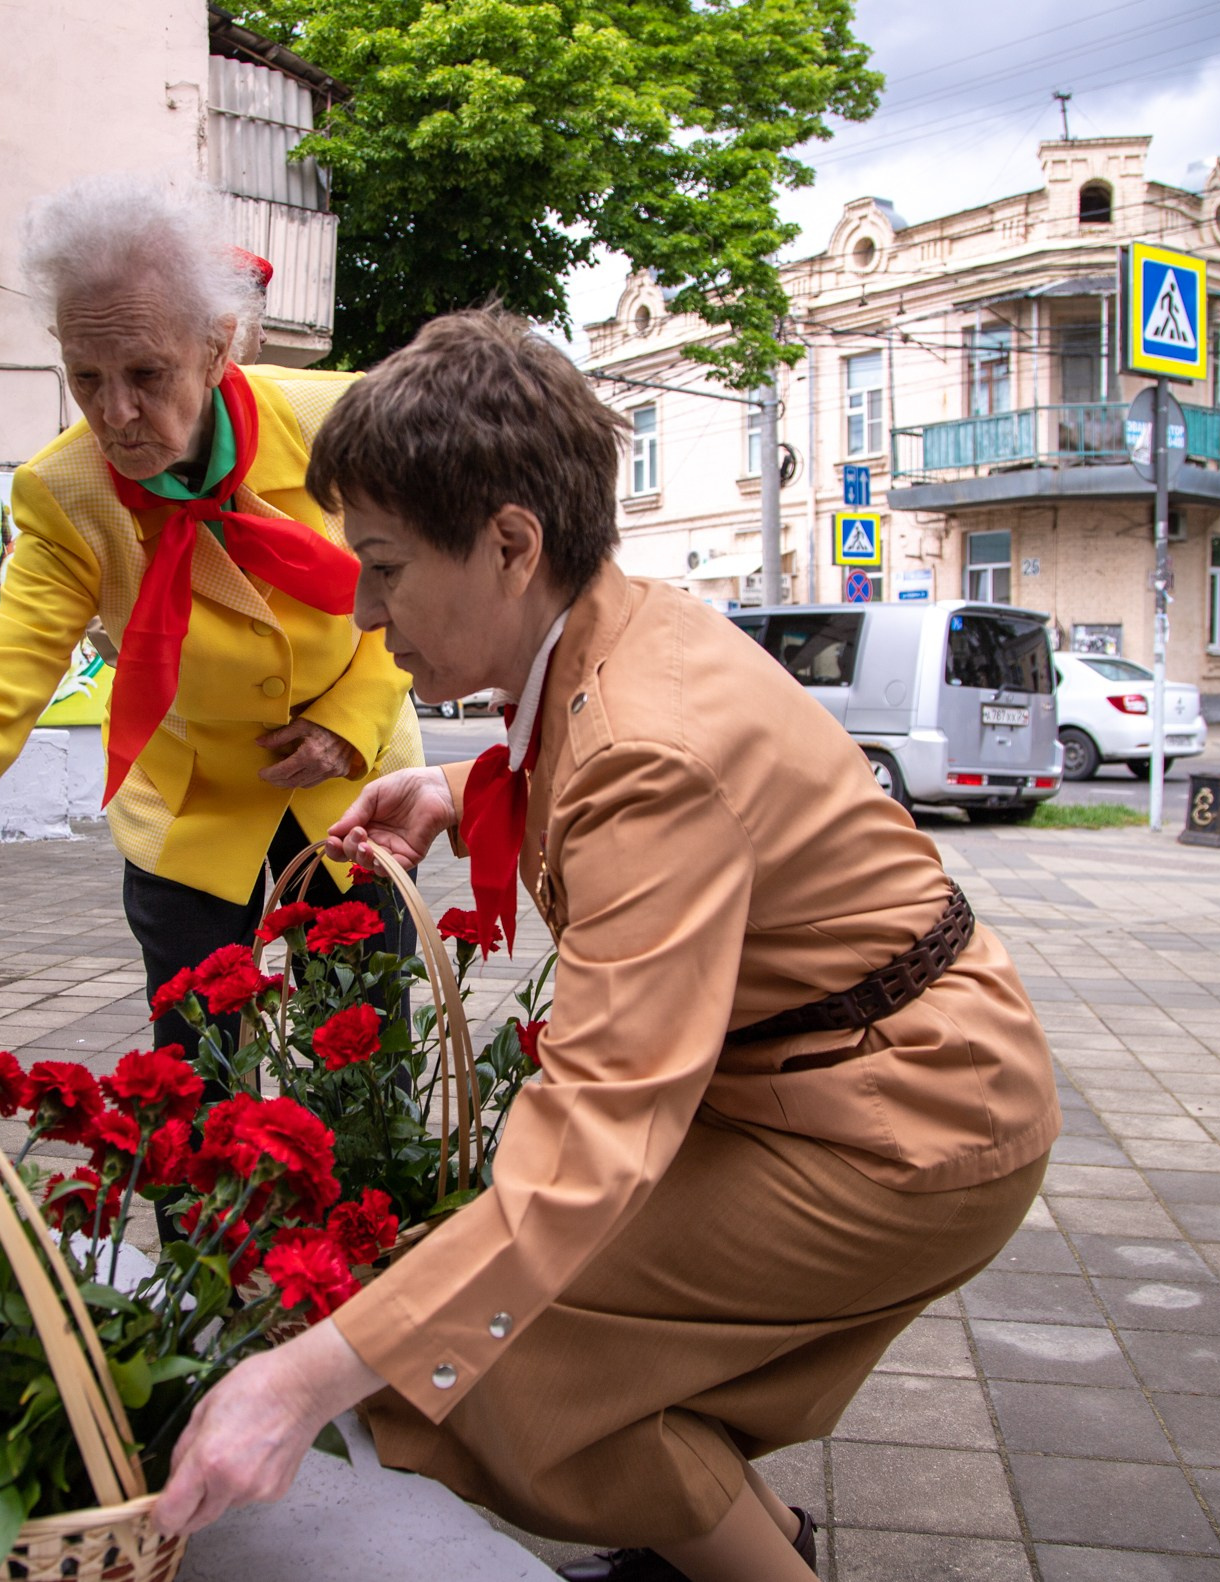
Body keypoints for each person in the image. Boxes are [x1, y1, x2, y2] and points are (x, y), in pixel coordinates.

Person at [150, 309, 1059, 1582]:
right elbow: (604, 752)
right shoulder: (618, 626)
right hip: (851, 1074)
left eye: (386, 566)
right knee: (533, 1335)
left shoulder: (642, 747)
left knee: (506, 1357)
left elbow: (590, 1142)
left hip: (900, 1123)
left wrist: (294, 1382)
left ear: (510, 542)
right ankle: (741, 1547)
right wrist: (457, 787)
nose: (361, 609)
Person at [0, 174, 421, 1065]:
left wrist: (349, 719)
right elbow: (8, 658)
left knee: (365, 1065)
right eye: (85, 377)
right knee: (193, 1079)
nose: (114, 414)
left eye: (146, 374)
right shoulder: (65, 492)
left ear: (218, 348)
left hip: (355, 784)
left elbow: (415, 588)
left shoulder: (342, 420)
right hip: (191, 801)